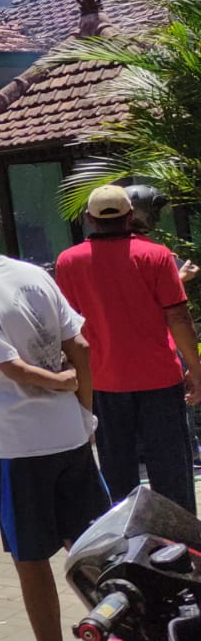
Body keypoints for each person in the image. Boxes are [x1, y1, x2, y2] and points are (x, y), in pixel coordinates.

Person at [0, 194, 105, 641]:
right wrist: (83, 410)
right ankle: (130, 637)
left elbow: (12, 368)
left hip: (18, 446)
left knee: (31, 559)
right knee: (94, 550)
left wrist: (59, 383)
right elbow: (81, 347)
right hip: (70, 435)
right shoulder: (34, 274)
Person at [53, 184, 201, 514]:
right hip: (159, 379)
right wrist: (196, 367)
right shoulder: (156, 255)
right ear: (130, 215)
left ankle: (124, 538)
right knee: (171, 470)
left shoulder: (68, 261)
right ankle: (179, 539)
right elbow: (178, 317)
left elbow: (66, 328)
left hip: (104, 381)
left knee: (116, 471)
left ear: (90, 218)